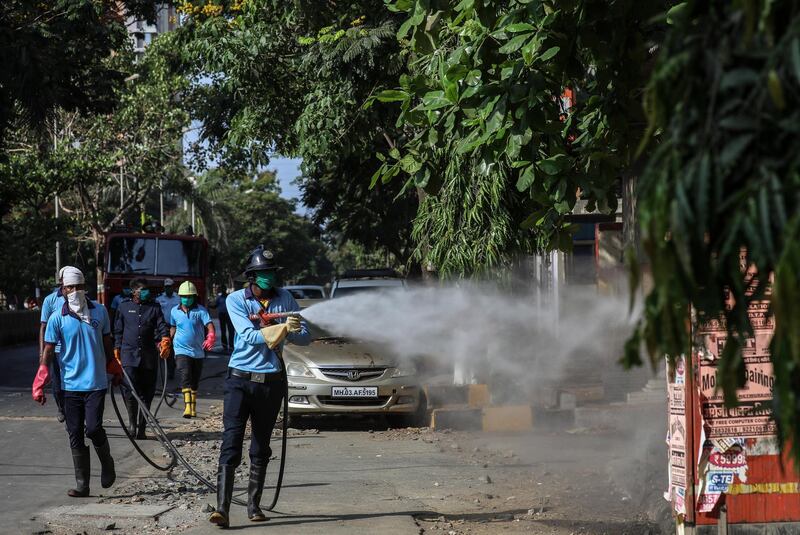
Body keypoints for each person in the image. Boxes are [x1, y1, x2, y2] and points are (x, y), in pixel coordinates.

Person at [208, 246, 309, 528]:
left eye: (271, 273)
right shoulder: (236, 300)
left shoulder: (285, 298)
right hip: (240, 381)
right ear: (251, 276)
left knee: (261, 446)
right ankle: (222, 509)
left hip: (271, 384)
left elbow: (305, 338)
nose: (268, 278)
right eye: (263, 274)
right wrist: (283, 329)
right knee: (231, 442)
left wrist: (297, 328)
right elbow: (250, 336)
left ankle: (254, 506)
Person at [33, 266, 123, 497]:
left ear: (85, 288)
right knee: (74, 432)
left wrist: (113, 365)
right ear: (63, 290)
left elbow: (106, 341)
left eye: (79, 287)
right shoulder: (57, 318)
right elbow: (49, 350)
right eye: (70, 287)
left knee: (93, 428)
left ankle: (107, 463)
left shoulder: (100, 312)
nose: (75, 291)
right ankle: (82, 484)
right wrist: (42, 376)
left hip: (95, 383)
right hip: (70, 385)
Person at [113, 278, 170, 439]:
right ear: (134, 292)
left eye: (147, 289)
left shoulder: (155, 307)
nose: (146, 292)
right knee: (130, 391)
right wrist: (116, 348)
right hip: (128, 356)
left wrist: (165, 339)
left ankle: (142, 427)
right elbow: (118, 329)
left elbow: (162, 326)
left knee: (147, 392)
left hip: (148, 357)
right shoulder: (124, 307)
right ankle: (132, 424)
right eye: (142, 290)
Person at [170, 281, 215, 418]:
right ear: (180, 296)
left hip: (198, 351)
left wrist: (211, 337)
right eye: (184, 296)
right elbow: (173, 327)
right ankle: (187, 407)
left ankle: (193, 405)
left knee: (195, 380)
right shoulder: (174, 311)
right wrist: (167, 340)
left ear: (194, 297)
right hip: (181, 350)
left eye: (190, 296)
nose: (187, 299)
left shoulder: (201, 311)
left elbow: (210, 326)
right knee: (185, 375)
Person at [40, 267, 67, 422]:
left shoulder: (81, 301)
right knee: (57, 383)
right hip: (56, 349)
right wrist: (42, 352)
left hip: (73, 348)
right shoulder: (50, 300)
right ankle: (61, 407)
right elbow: (43, 327)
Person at [156, 279, 180, 380]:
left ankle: (171, 370)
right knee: (164, 347)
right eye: (167, 287)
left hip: (176, 326)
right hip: (163, 327)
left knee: (173, 349)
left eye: (170, 286)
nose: (168, 288)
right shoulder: (159, 299)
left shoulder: (178, 298)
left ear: (173, 287)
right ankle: (163, 372)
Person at [213, 285, 234, 351]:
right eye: (222, 289)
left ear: (225, 289)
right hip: (221, 316)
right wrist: (209, 305)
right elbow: (215, 305)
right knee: (223, 331)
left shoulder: (229, 297)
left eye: (223, 289)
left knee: (231, 331)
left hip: (229, 316)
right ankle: (224, 346)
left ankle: (231, 345)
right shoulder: (219, 298)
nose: (223, 290)